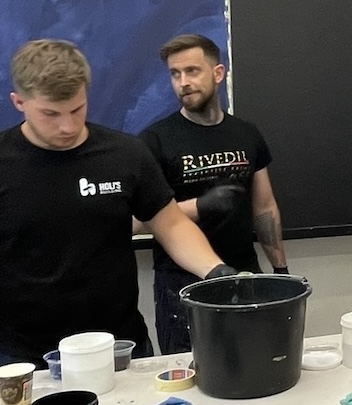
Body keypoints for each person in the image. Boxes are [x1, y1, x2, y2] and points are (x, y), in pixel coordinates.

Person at [0, 39, 231, 368]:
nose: (67, 126)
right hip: (22, 357)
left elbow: (171, 224)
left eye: (77, 109)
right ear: (19, 102)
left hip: (120, 345)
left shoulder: (125, 154)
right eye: (50, 114)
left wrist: (216, 272)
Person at [139, 34, 288, 355]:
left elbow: (264, 208)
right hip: (182, 284)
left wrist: (280, 271)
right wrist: (200, 206)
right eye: (175, 74)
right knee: (191, 371)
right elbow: (135, 221)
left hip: (244, 273)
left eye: (192, 71)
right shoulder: (155, 141)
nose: (183, 82)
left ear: (218, 73)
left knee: (256, 362)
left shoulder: (246, 134)